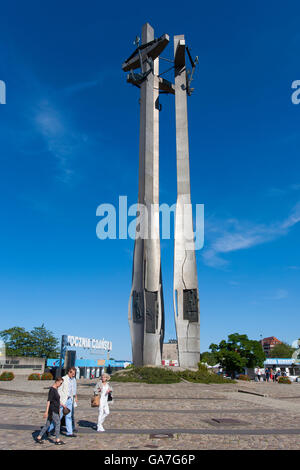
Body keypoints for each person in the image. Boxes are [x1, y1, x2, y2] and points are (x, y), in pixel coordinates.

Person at [35, 376, 65, 445]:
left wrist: (62, 405)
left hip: (55, 409)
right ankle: (57, 439)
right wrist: (46, 411)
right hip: (53, 409)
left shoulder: (56, 389)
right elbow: (49, 401)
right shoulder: (52, 390)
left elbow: (57, 400)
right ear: (57, 382)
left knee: (47, 424)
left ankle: (39, 437)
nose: (61, 385)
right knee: (58, 423)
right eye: (60, 383)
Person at [49, 366, 78, 437]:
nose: (73, 375)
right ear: (69, 372)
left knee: (69, 416)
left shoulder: (74, 380)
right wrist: (61, 401)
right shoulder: (64, 379)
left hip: (70, 399)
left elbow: (74, 389)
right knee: (59, 416)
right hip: (63, 400)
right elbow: (59, 390)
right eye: (72, 373)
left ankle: (69, 432)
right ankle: (49, 429)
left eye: (74, 373)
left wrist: (75, 397)